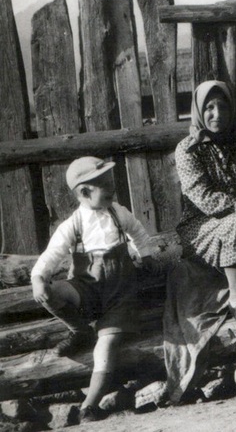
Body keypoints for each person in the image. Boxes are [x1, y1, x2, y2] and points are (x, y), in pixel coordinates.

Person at [164, 80, 236, 403]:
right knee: (234, 224)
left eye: (222, 106)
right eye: (209, 107)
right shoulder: (188, 149)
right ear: (198, 110)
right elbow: (203, 197)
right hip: (201, 224)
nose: (217, 113)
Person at [31, 157, 154, 423]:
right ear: (85, 192)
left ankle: (89, 404)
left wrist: (146, 255)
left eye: (112, 183)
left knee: (106, 346)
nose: (113, 189)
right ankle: (79, 331)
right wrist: (39, 277)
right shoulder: (73, 224)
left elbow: (139, 233)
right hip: (87, 289)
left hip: (119, 293)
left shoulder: (118, 212)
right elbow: (52, 254)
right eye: (106, 186)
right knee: (50, 292)